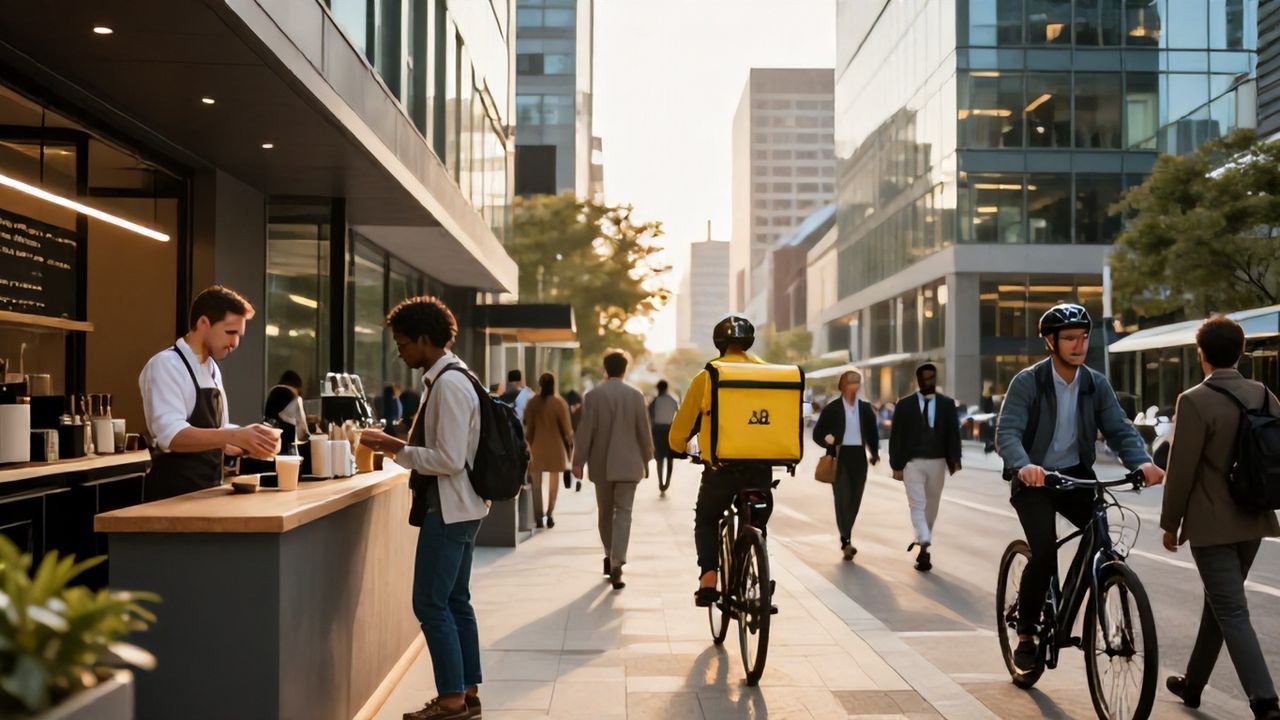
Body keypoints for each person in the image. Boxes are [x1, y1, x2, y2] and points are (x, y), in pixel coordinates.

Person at [996, 303, 1162, 675]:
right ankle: (1026, 632)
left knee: (1103, 538)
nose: (1079, 345)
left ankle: (1103, 590)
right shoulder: (1029, 382)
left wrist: (1142, 462)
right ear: (1051, 342)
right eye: (1070, 338)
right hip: (1035, 480)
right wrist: (1023, 465)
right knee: (1043, 552)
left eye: (1084, 337)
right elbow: (1007, 432)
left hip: (1075, 477)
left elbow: (1119, 429)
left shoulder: (1094, 383)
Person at [358, 296, 487, 720]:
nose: (399, 350)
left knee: (431, 603)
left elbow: (448, 459)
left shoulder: (449, 383)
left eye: (403, 341)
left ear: (425, 340)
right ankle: (466, 692)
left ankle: (451, 700)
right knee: (455, 600)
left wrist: (395, 447)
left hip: (449, 509)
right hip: (464, 507)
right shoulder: (455, 376)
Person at [1160, 315, 1280, 720]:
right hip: (1255, 517)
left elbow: (1181, 469)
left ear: (1202, 355)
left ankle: (1265, 701)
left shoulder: (1194, 400)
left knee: (1230, 610)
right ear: (1241, 352)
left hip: (1211, 525)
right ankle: (1193, 685)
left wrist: (1170, 523)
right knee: (1221, 604)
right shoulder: (1264, 395)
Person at [669, 315, 773, 606]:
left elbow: (681, 428)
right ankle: (757, 567)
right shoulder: (772, 374)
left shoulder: (709, 376)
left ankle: (709, 577)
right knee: (756, 520)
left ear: (719, 344)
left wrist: (678, 447)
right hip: (761, 469)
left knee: (706, 519)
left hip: (722, 470)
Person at [139, 285, 278, 502]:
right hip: (172, 497)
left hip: (206, 492)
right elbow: (172, 436)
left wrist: (250, 438)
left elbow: (218, 433)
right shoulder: (165, 365)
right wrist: (233, 435)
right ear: (203, 323)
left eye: (239, 335)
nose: (235, 343)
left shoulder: (212, 368)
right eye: (230, 332)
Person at [572, 350, 654, 590]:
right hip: (629, 465)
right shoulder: (636, 395)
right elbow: (643, 431)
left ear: (605, 369)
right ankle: (618, 560)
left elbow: (586, 431)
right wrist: (647, 459)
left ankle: (609, 554)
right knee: (624, 513)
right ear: (625, 369)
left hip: (602, 465)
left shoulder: (594, 396)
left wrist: (578, 461)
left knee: (605, 512)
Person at [888, 363, 962, 572]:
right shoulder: (904, 405)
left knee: (932, 506)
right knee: (917, 504)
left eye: (932, 377)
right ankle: (924, 537)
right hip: (912, 463)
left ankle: (923, 545)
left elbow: (953, 434)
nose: (929, 381)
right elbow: (896, 437)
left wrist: (955, 458)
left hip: (938, 462)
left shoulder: (947, 405)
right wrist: (896, 465)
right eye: (925, 378)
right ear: (918, 380)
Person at [812, 370, 880, 561]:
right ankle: (846, 540)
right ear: (842, 386)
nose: (853, 386)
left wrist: (874, 453)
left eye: (856, 383)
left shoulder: (866, 408)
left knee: (855, 498)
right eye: (850, 383)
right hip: (839, 456)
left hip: (858, 456)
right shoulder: (832, 408)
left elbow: (873, 434)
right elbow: (817, 434)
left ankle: (846, 531)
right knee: (842, 498)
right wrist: (828, 441)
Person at [524, 372, 573, 529]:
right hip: (556, 449)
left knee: (536, 485)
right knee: (554, 482)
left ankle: (538, 516)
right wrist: (570, 450)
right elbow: (567, 430)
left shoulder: (533, 403)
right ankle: (550, 513)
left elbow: (528, 428)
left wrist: (528, 445)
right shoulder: (559, 403)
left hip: (537, 447)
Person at [648, 379, 679, 493]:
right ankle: (667, 482)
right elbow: (678, 414)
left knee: (659, 459)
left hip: (657, 430)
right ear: (666, 388)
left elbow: (649, 417)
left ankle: (661, 482)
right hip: (670, 430)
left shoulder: (654, 401)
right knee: (670, 458)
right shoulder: (673, 400)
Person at [562, 389, 584, 492]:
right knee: (576, 460)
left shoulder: (566, 407)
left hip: (571, 436)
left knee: (571, 459)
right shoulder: (581, 408)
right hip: (575, 436)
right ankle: (577, 479)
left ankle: (574, 477)